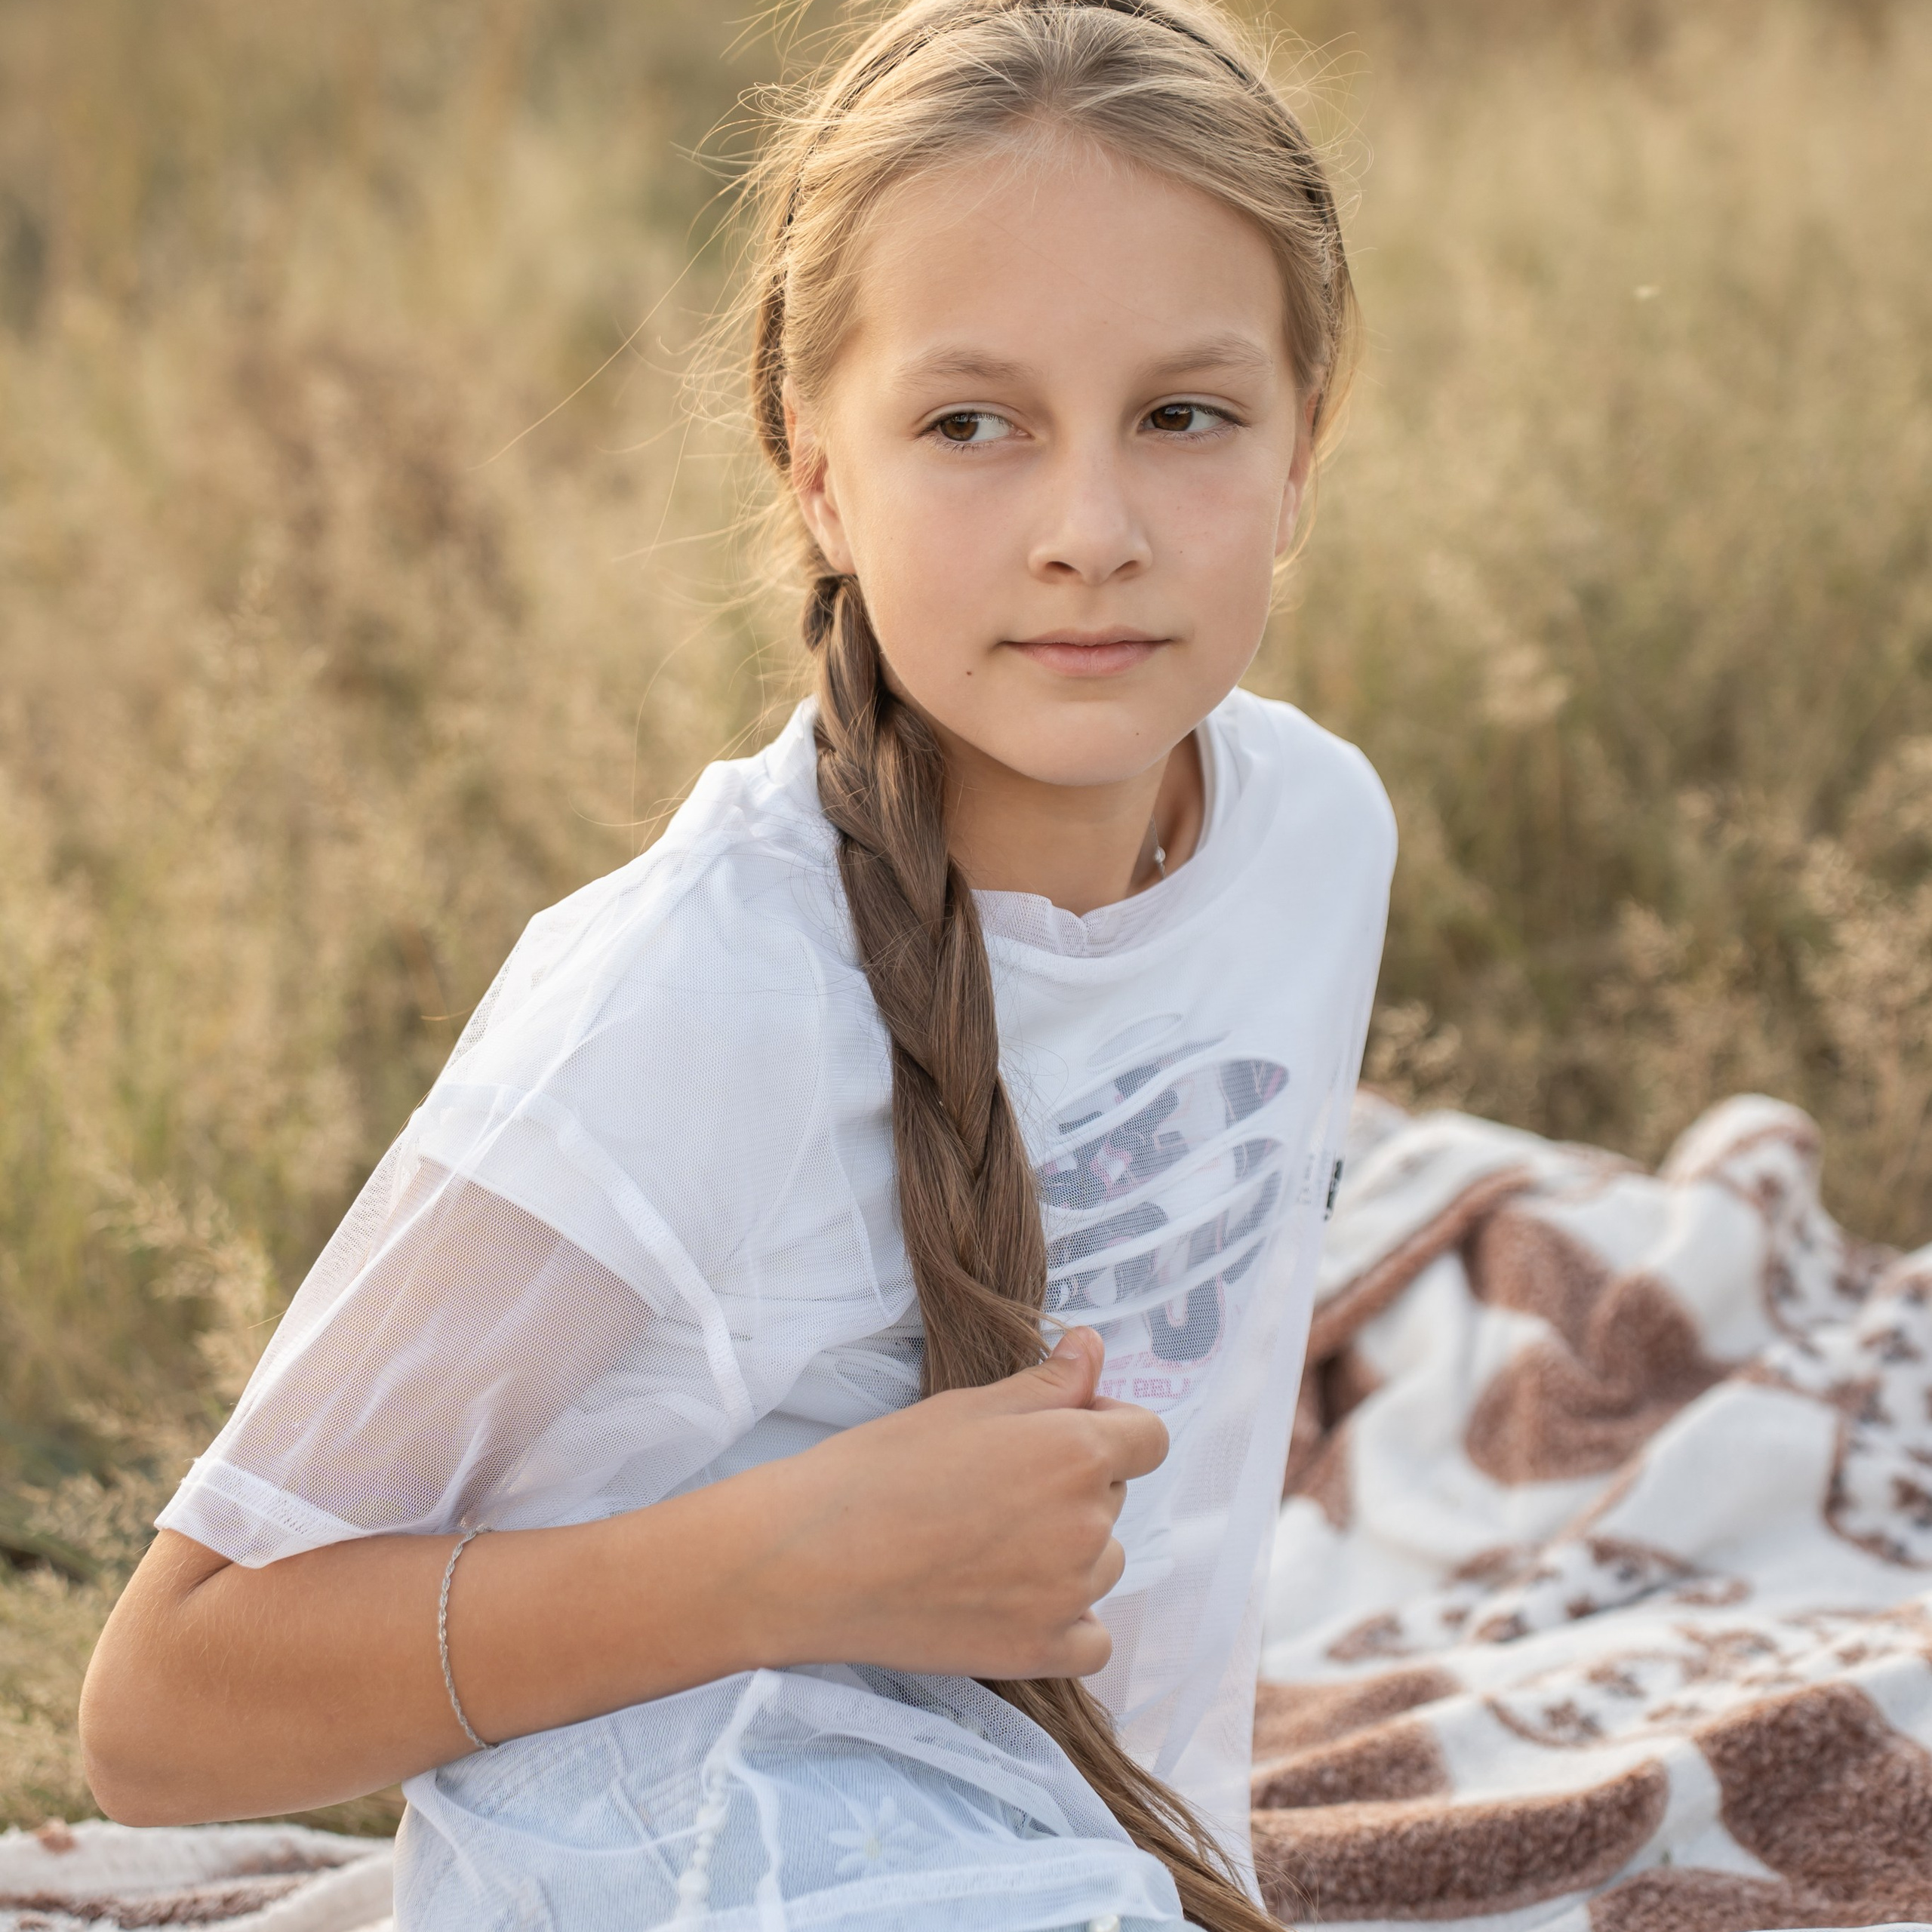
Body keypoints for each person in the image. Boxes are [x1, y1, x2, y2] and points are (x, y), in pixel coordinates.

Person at [79, 2, 1393, 1926]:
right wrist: (789, 1557)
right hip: (705, 1851)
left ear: (1302, 447)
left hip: (1087, 1856)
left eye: (1183, 413)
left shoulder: (1311, 834)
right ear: (814, 472)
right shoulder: (694, 995)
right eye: (969, 424)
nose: (1088, 533)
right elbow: (164, 1708)